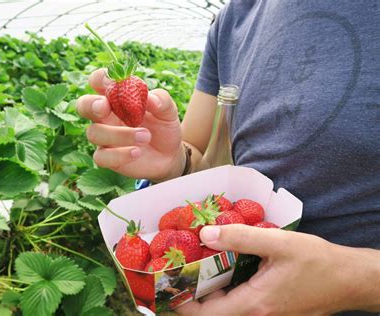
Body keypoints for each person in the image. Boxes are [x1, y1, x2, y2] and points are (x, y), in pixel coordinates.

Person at [76, 0, 379, 314]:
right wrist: (175, 163)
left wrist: (355, 279)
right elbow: (198, 154)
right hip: (221, 282)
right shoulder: (236, 16)